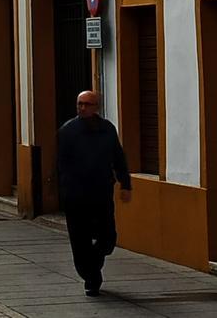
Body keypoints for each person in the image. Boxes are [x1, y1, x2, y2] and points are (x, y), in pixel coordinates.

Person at [57, 89, 132, 297]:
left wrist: (125, 184)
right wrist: (64, 191)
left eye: (87, 104)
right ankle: (91, 279)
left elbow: (118, 157)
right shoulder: (68, 131)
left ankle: (93, 264)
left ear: (96, 107)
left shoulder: (107, 130)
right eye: (79, 104)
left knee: (108, 237)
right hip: (76, 195)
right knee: (79, 240)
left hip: (101, 192)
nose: (82, 108)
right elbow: (61, 165)